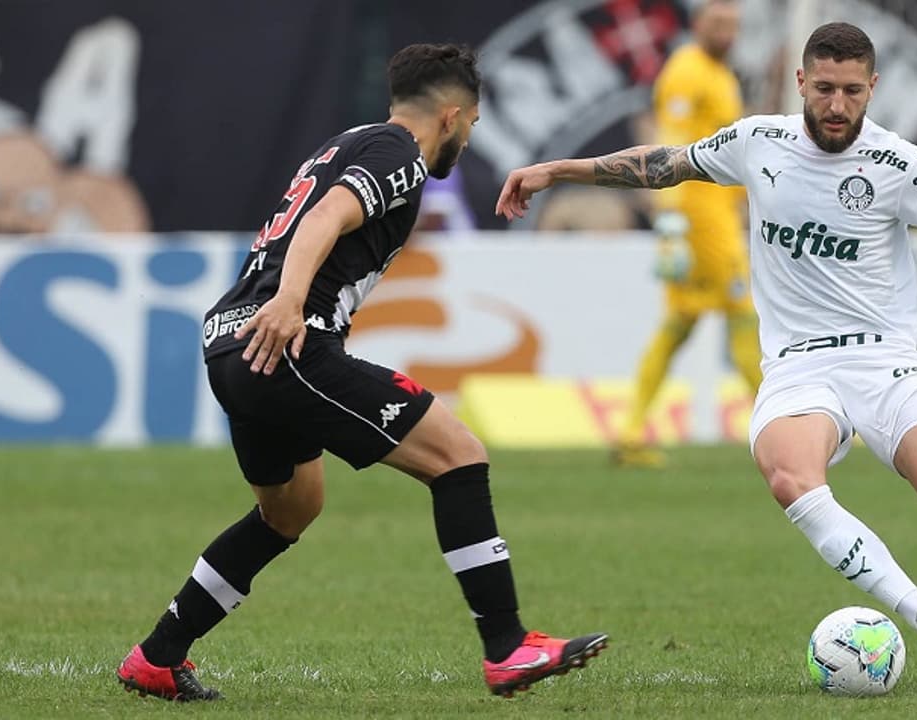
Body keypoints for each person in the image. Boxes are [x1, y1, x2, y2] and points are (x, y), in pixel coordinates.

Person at [496, 22, 917, 692]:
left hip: (886, 360)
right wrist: (558, 170)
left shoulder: (899, 164)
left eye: (851, 91)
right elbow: (666, 163)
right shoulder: (760, 142)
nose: (837, 104)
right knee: (790, 473)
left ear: (872, 88)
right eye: (824, 89)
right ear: (801, 84)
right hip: (799, 365)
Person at [116, 43, 607, 702]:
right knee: (458, 457)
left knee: (291, 509)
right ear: (454, 116)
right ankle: (508, 646)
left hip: (230, 342)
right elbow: (325, 218)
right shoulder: (400, 153)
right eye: (473, 125)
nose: (468, 137)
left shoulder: (347, 141)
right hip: (287, 341)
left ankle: (159, 655)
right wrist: (292, 301)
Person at [613, 0, 762, 468]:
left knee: (679, 325)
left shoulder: (721, 74)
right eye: (719, 24)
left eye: (733, 25)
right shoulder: (686, 72)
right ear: (698, 24)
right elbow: (668, 150)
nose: (727, 33)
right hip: (699, 219)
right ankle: (785, 425)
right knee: (743, 312)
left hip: (717, 213)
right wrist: (672, 225)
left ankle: (631, 432)